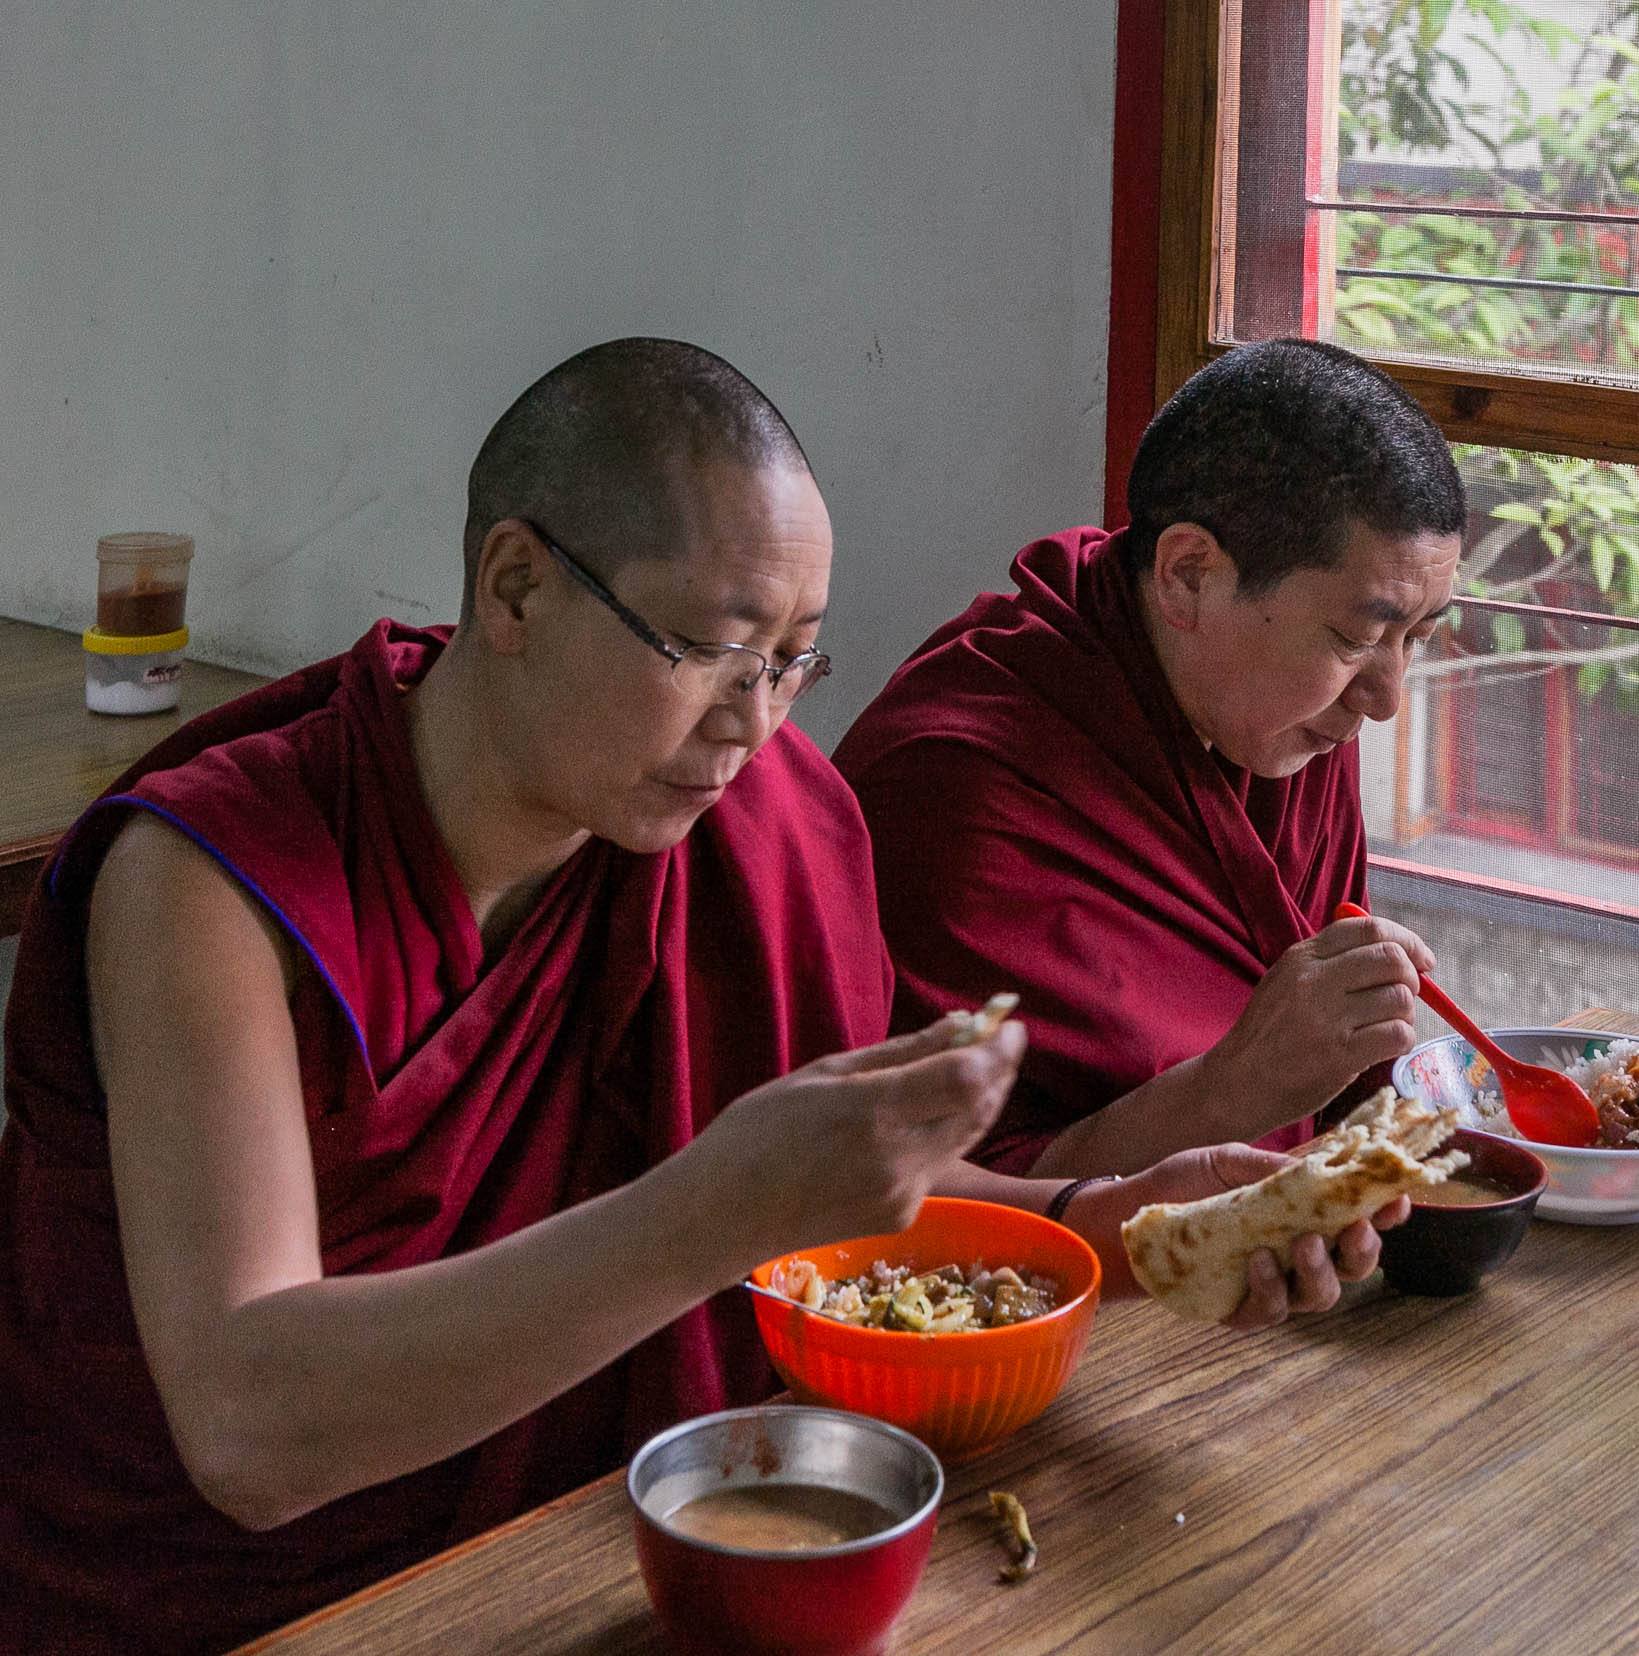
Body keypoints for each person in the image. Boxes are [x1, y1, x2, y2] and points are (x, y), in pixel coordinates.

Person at [0, 339, 1400, 1655]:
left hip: (609, 1561)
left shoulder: (763, 822)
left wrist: (1119, 1218)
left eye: (797, 659)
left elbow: (831, 1195)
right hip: (242, 1616)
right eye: (715, 649)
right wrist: (717, 1207)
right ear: (515, 589)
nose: (756, 722)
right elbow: (250, 1432)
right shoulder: (212, 882)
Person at [835, 337, 1466, 1180]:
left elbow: (1329, 1087)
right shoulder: (953, 790)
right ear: (1187, 575)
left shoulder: (1290, 728)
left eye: (1416, 638)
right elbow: (903, 1192)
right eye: (1356, 639)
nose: (1385, 698)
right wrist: (1230, 1092)